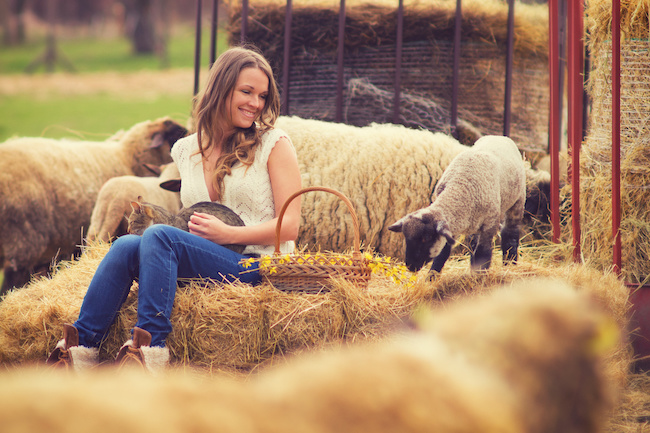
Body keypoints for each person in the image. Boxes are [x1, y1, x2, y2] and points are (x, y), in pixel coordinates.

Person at [46, 45, 302, 372]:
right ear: (222, 88)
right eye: (247, 91)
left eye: (263, 96)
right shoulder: (185, 149)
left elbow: (290, 224)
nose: (256, 103)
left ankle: (150, 347)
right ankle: (79, 348)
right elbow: (185, 224)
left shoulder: (274, 144)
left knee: (161, 237)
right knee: (126, 245)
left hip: (260, 266)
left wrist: (230, 234)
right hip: (209, 261)